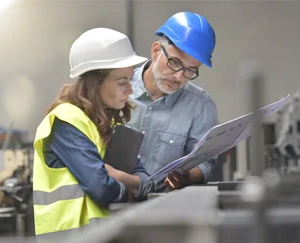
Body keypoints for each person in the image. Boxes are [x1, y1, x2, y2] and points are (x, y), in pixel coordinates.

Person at [32, 28, 152, 237]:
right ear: (95, 82)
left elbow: (146, 180)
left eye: (130, 81)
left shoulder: (104, 124)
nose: (130, 91)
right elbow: (102, 188)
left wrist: (124, 179)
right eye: (122, 82)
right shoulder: (66, 121)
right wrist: (131, 191)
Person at [127, 12, 219, 192]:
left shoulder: (201, 106)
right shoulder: (118, 87)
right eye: (175, 63)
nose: (179, 77)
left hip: (162, 211)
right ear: (155, 51)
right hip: (107, 208)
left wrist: (188, 176)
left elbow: (206, 162)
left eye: (190, 70)